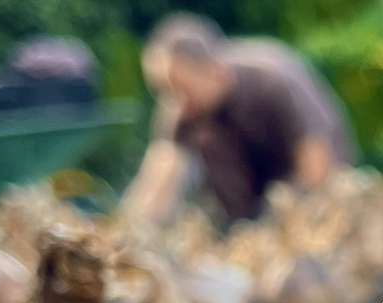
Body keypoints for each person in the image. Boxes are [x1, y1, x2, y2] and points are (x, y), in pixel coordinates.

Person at [121, 15, 356, 224]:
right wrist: (128, 230)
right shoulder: (182, 107)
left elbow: (317, 167)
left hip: (313, 193)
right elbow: (159, 177)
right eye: (164, 91)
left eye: (181, 89)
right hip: (251, 208)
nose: (174, 103)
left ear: (213, 71)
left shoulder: (271, 80)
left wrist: (286, 225)